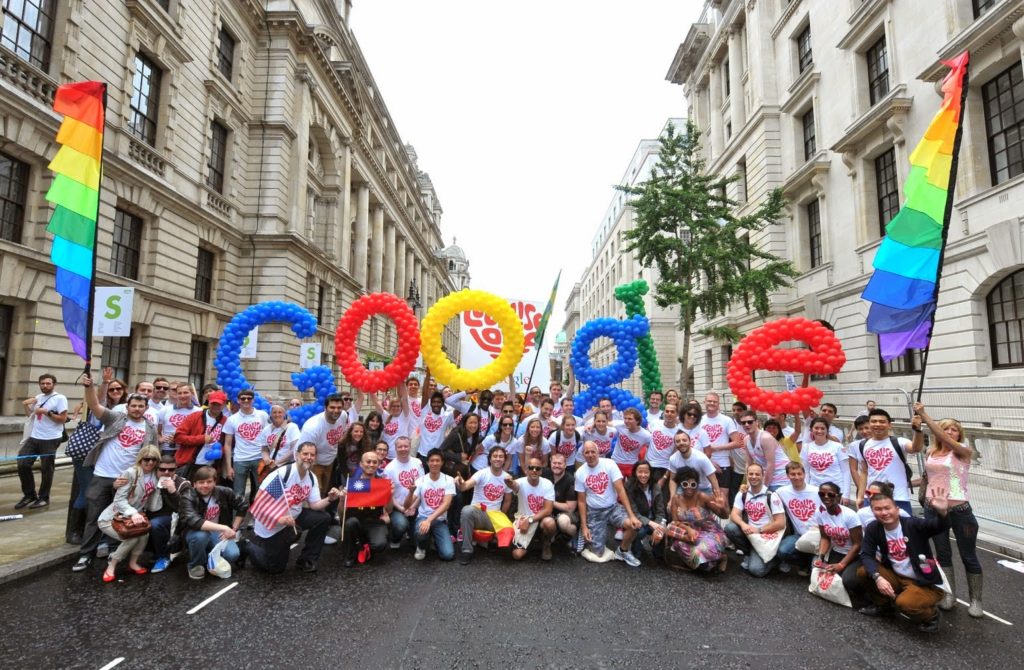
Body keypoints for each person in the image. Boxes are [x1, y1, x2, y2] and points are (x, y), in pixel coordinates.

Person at [72, 375, 158, 573]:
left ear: (146, 408)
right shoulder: (115, 418)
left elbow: (151, 457)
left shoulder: (150, 429)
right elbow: (94, 405)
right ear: (127, 406)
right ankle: (86, 554)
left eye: (140, 406)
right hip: (103, 475)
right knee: (93, 517)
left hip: (127, 480)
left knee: (119, 518)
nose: (137, 409)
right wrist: (90, 386)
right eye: (134, 405)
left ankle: (113, 552)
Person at [912, 402, 982, 617]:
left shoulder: (963, 452)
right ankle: (949, 595)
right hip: (934, 510)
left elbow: (944, 438)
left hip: (960, 511)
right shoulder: (930, 452)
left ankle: (976, 600)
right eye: (947, 428)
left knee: (968, 555)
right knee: (943, 554)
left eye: (955, 429)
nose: (951, 432)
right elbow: (928, 478)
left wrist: (924, 415)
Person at [856, 488, 952, 633]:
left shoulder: (913, 524)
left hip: (925, 582)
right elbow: (866, 554)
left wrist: (943, 513)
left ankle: (932, 616)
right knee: (864, 572)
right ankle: (884, 606)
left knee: (904, 603)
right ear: (873, 512)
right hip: (898, 576)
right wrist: (877, 578)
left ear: (897, 509)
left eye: (887, 508)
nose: (884, 512)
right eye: (878, 509)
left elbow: (938, 526)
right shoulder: (874, 528)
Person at [243, 442, 341, 573]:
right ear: (297, 455)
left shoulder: (311, 478)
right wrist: (279, 518)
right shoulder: (283, 474)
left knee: (323, 518)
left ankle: (306, 560)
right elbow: (259, 502)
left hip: (294, 517)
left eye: (312, 455)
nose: (309, 457)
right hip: (273, 522)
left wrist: (329, 499)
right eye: (305, 453)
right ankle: (247, 546)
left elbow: (315, 505)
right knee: (275, 568)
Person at [96, 445, 164, 581]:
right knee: (132, 537)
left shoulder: (156, 475)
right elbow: (119, 500)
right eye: (147, 459)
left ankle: (133, 563)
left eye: (154, 460)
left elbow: (152, 502)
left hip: (134, 518)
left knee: (144, 534)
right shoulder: (131, 473)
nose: (150, 462)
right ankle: (112, 565)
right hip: (112, 518)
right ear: (140, 459)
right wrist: (133, 513)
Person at [574, 441, 643, 567]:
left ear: (598, 452)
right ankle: (584, 532)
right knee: (598, 553)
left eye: (593, 452)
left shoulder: (609, 464)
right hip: (594, 512)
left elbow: (621, 490)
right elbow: (581, 501)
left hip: (613, 508)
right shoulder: (580, 473)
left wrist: (631, 515)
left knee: (634, 525)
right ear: (583, 455)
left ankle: (622, 550)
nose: (590, 455)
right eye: (587, 452)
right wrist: (584, 526)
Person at [179, 466, 248, 579]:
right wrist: (225, 528)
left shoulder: (224, 492)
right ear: (194, 484)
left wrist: (233, 529)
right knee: (201, 537)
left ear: (215, 482)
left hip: (217, 532)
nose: (205, 485)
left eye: (209, 482)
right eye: (201, 482)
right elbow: (194, 521)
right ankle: (196, 564)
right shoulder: (187, 497)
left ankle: (206, 552)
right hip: (195, 532)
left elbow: (243, 505)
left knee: (233, 555)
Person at [852, 408, 921, 514]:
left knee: (903, 529)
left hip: (898, 498)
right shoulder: (862, 446)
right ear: (869, 424)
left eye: (882, 421)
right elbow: (864, 472)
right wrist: (860, 496)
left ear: (889, 425)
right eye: (874, 421)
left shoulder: (899, 442)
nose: (877, 424)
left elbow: (915, 448)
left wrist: (918, 430)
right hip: (871, 497)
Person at [16, 373, 68, 510]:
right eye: (42, 383)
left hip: (50, 438)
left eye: (48, 383)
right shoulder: (39, 397)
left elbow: (62, 419)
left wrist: (47, 412)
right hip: (34, 437)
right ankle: (29, 495)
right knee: (22, 463)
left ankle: (44, 497)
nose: (45, 386)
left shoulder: (60, 398)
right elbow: (31, 415)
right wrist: (26, 405)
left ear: (54, 384)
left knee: (46, 469)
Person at [725, 463, 786, 577]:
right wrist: (743, 525)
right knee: (730, 528)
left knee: (756, 571)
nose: (753, 476)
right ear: (747, 475)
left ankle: (775, 560)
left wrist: (759, 530)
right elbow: (734, 514)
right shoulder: (743, 493)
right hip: (750, 534)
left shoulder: (771, 495)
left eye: (757, 474)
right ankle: (749, 553)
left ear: (763, 476)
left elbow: (781, 523)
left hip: (767, 536)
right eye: (751, 474)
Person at [455, 445, 513, 565]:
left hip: (495, 515)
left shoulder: (506, 477)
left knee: (509, 539)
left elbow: (507, 500)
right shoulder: (482, 473)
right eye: (495, 456)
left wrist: (502, 516)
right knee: (467, 510)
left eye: (501, 456)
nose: (498, 459)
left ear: (504, 459)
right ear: (490, 459)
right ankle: (467, 549)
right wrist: (460, 482)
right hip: (479, 513)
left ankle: (490, 540)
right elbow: (465, 486)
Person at [664, 466, 729, 572]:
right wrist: (688, 529)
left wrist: (723, 507)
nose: (689, 487)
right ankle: (707, 561)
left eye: (693, 484)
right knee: (677, 543)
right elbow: (675, 521)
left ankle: (722, 557)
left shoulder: (702, 497)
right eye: (685, 484)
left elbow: (725, 516)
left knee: (705, 552)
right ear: (681, 484)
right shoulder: (676, 499)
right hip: (690, 534)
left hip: (709, 532)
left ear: (697, 484)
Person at [341, 450, 393, 567]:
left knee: (380, 546)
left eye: (375, 462)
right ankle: (350, 555)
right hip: (356, 520)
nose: (371, 464)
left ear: (378, 465)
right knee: (350, 523)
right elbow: (341, 512)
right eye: (368, 461)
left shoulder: (382, 483)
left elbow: (389, 509)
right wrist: (342, 499)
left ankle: (365, 544)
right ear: (361, 464)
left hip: (375, 522)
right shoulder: (352, 483)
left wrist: (390, 495)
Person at [814, 480, 863, 599]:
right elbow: (825, 537)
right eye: (822, 494)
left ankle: (865, 595)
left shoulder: (850, 515)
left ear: (838, 496)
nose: (826, 497)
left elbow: (858, 544)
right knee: (823, 574)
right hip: (837, 552)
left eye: (830, 494)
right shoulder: (819, 512)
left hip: (856, 555)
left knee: (848, 580)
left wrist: (841, 565)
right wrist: (821, 556)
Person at [405, 449, 456, 561]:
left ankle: (433, 538)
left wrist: (430, 520)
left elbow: (446, 504)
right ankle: (421, 546)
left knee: (448, 555)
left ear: (442, 462)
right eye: (432, 460)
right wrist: (410, 492)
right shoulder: (421, 480)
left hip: (439, 520)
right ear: (427, 463)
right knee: (420, 533)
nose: (434, 463)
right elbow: (407, 506)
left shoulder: (449, 480)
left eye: (437, 460)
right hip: (423, 518)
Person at [222, 389, 269, 501]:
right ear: (238, 400)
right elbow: (227, 444)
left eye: (249, 398)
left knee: (262, 491)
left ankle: (259, 516)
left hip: (260, 458)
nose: (246, 400)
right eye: (243, 398)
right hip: (240, 459)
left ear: (253, 400)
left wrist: (268, 456)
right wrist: (229, 467)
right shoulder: (232, 419)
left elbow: (269, 437)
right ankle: (237, 517)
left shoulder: (262, 415)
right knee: (238, 493)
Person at [299, 393, 349, 495]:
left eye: (339, 407)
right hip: (314, 464)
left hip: (330, 462)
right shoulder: (312, 427)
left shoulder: (343, 415)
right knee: (315, 493)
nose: (336, 411)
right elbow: (302, 453)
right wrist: (303, 475)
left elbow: (342, 432)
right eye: (332, 407)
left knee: (327, 491)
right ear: (325, 408)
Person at [508, 456, 557, 561]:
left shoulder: (547, 484)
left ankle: (546, 543)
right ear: (526, 470)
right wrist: (510, 483)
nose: (534, 470)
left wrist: (529, 520)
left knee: (550, 523)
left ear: (541, 471)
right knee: (517, 555)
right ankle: (532, 545)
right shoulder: (520, 482)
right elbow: (514, 486)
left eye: (537, 468)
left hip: (539, 520)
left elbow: (548, 509)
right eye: (531, 468)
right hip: (523, 519)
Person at [774, 462, 819, 575]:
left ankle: (814, 562)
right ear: (787, 476)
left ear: (804, 474)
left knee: (817, 570)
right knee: (782, 551)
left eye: (799, 473)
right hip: (798, 535)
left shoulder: (817, 491)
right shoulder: (781, 492)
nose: (797, 477)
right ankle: (805, 563)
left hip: (817, 534)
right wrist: (745, 488)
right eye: (793, 474)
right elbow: (766, 496)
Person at [699, 392, 744, 506]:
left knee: (722, 498)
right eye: (709, 401)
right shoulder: (699, 420)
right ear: (704, 402)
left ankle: (723, 523)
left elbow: (737, 442)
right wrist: (708, 460)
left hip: (723, 464)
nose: (712, 403)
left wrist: (715, 448)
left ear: (718, 404)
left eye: (714, 402)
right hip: (704, 463)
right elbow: (695, 445)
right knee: (706, 497)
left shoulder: (727, 420)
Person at [149, 454, 191, 573]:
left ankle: (164, 556)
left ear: (176, 469)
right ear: (156, 469)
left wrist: (173, 492)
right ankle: (154, 552)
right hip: (152, 515)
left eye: (171, 469)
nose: (166, 472)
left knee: (156, 524)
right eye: (162, 469)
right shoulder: (150, 480)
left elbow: (187, 509)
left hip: (176, 520)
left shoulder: (183, 484)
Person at [172, 391, 228, 479]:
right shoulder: (194, 417)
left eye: (219, 404)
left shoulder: (226, 421)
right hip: (191, 464)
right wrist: (201, 439)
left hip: (212, 466)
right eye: (213, 403)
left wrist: (220, 451)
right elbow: (178, 437)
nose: (216, 406)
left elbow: (228, 444)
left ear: (224, 404)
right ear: (208, 402)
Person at [382, 436, 424, 549]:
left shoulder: (418, 463)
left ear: (410, 447)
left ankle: (411, 532)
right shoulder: (389, 468)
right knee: (401, 525)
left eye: (406, 446)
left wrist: (413, 506)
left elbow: (422, 487)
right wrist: (402, 509)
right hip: (398, 507)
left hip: (416, 505)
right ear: (395, 448)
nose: (403, 449)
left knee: (419, 541)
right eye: (400, 446)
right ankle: (394, 537)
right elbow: (389, 494)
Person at [738, 411, 789, 490]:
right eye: (743, 423)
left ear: (757, 422)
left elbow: (770, 465)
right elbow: (749, 464)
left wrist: (763, 488)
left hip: (781, 478)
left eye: (750, 422)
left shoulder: (765, 438)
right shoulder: (746, 440)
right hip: (767, 476)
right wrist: (749, 484)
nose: (746, 425)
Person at [625, 461, 666, 557]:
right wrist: (651, 523)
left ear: (650, 473)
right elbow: (634, 512)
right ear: (635, 472)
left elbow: (660, 511)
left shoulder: (655, 487)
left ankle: (657, 550)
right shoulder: (629, 487)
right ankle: (635, 550)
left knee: (662, 530)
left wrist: (659, 525)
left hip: (654, 519)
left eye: (646, 472)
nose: (643, 475)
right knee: (639, 531)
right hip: (639, 519)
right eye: (640, 472)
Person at [799, 417, 850, 491]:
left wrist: (846, 493)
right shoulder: (806, 447)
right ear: (811, 430)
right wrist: (805, 489)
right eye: (816, 428)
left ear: (827, 430)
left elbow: (846, 471)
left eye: (823, 428)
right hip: (814, 489)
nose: (819, 431)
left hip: (835, 490)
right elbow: (806, 471)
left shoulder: (838, 446)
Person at [665, 431, 719, 499]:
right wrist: (672, 499)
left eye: (684, 440)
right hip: (684, 488)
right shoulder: (673, 458)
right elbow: (673, 479)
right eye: (678, 441)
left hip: (704, 489)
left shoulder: (701, 458)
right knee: (674, 506)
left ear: (690, 442)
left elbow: (713, 480)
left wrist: (718, 497)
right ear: (675, 444)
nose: (681, 443)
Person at [647, 403, 683, 494]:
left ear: (677, 414)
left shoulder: (678, 433)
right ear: (663, 413)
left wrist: (665, 477)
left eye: (672, 412)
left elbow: (674, 457)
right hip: (648, 466)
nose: (669, 414)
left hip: (663, 468)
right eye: (667, 411)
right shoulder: (655, 423)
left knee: (660, 501)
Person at [257, 404, 301, 472]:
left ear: (284, 414)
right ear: (270, 414)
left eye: (280, 412)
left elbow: (294, 449)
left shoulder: (292, 427)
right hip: (271, 466)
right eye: (274, 412)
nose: (277, 415)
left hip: (287, 465)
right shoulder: (266, 429)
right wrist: (266, 459)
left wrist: (278, 462)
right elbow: (264, 449)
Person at [158, 384, 200, 456]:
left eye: (186, 392)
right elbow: (157, 431)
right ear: (176, 395)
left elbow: (199, 433)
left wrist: (180, 439)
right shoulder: (165, 410)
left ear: (192, 394)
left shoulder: (199, 411)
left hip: (189, 449)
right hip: (168, 449)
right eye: (179, 393)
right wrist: (160, 438)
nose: (182, 396)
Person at [375, 384, 414, 459]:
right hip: (384, 456)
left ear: (401, 407)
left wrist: (401, 381)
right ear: (389, 407)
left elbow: (404, 398)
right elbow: (376, 402)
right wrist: (370, 388)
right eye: (393, 406)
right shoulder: (386, 416)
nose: (395, 408)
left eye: (398, 406)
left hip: (399, 456)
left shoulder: (404, 416)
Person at [546, 452, 578, 545]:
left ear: (565, 465)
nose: (556, 466)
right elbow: (530, 469)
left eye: (559, 463)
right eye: (554, 463)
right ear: (550, 464)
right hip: (548, 511)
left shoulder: (570, 481)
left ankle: (574, 535)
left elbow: (570, 508)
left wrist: (549, 502)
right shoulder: (545, 473)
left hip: (567, 513)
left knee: (563, 522)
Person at [416, 389, 455, 461]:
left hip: (438, 457)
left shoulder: (446, 417)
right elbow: (424, 393)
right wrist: (428, 376)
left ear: (443, 403)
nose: (436, 404)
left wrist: (464, 393)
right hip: (422, 455)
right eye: (433, 402)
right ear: (430, 404)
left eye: (439, 402)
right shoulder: (424, 413)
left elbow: (459, 407)